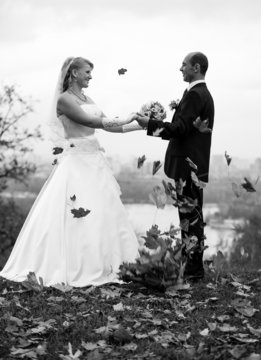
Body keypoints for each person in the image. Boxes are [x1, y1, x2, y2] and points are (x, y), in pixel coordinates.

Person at [0, 57, 144, 287]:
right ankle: (78, 265)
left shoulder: (87, 98)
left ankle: (110, 264)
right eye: (87, 72)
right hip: (76, 164)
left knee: (103, 214)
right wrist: (129, 115)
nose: (90, 76)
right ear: (74, 73)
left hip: (95, 163)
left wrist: (140, 124)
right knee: (77, 217)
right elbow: (92, 121)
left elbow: (111, 126)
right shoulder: (64, 100)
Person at [137, 52, 215, 280]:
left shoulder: (196, 94)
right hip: (192, 167)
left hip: (188, 167)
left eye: (184, 65)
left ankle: (193, 271)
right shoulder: (198, 93)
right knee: (190, 217)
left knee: (190, 218)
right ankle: (192, 268)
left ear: (196, 68)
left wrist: (150, 124)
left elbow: (180, 128)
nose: (180, 68)